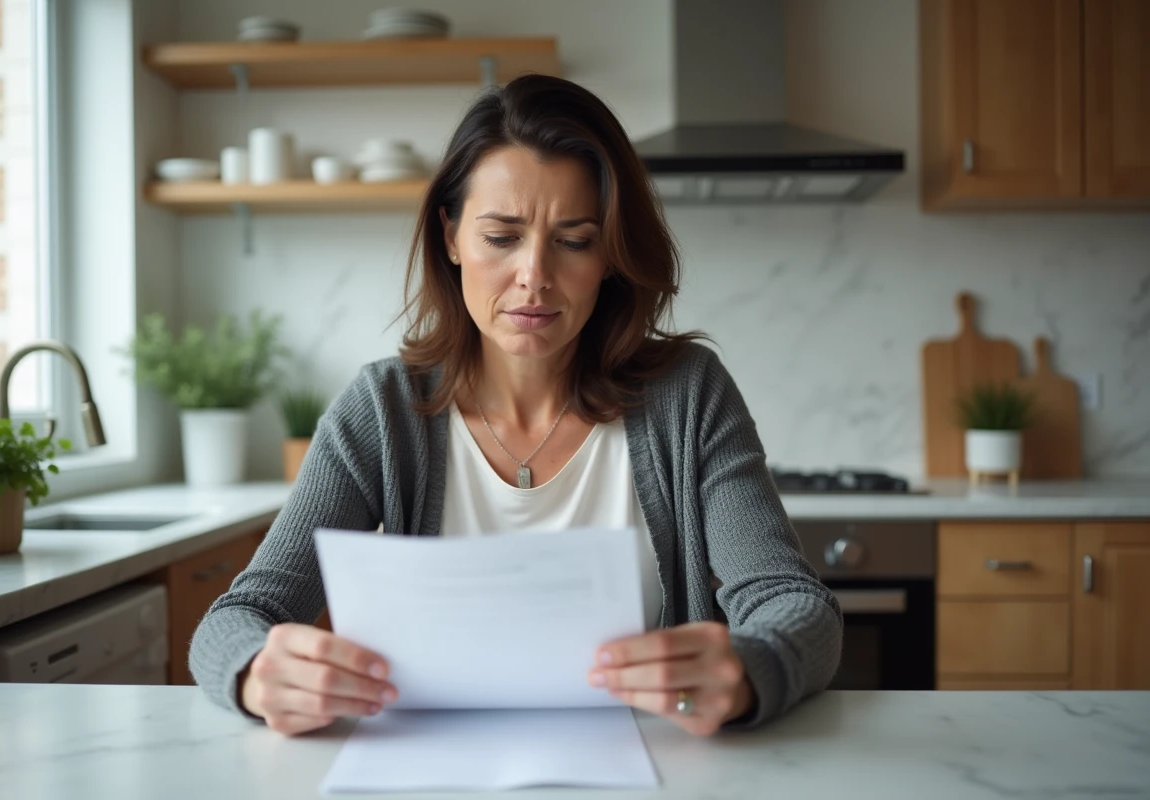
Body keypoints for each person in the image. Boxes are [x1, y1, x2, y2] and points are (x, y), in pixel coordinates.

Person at [190, 74, 842, 738]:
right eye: (501, 236)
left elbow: (795, 605)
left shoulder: (687, 395)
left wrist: (751, 665)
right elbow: (238, 618)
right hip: (430, 769)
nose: (535, 275)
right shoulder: (382, 410)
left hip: (651, 769)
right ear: (451, 238)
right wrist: (252, 672)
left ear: (610, 254)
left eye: (575, 240)